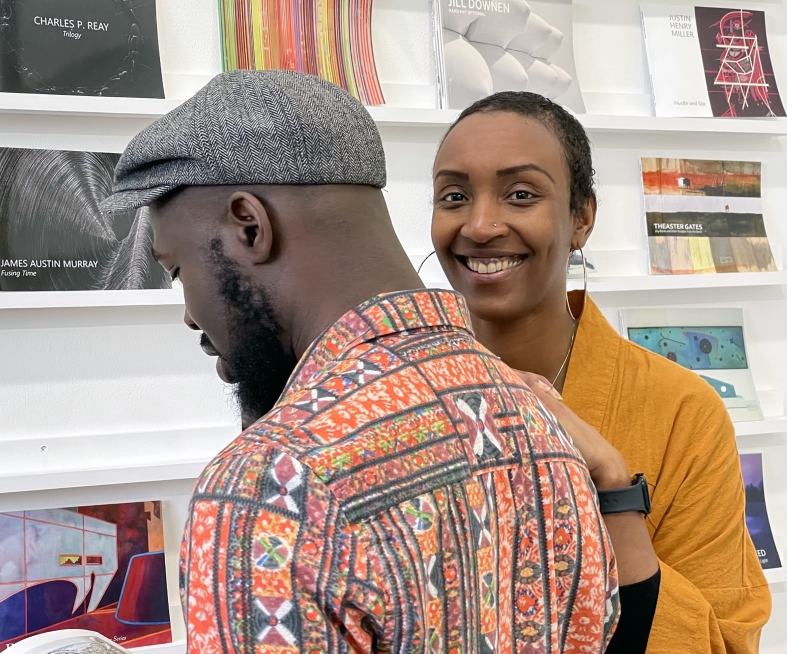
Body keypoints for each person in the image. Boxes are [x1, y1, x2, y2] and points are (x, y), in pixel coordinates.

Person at [104, 70, 620, 652]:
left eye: (179, 271)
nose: (190, 315)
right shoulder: (535, 419)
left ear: (250, 227)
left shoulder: (271, 488)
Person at [429, 91, 770, 654]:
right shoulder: (394, 394)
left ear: (582, 218)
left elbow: (724, 643)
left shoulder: (681, 411)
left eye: (521, 194)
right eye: (455, 196)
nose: (481, 225)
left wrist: (613, 493)